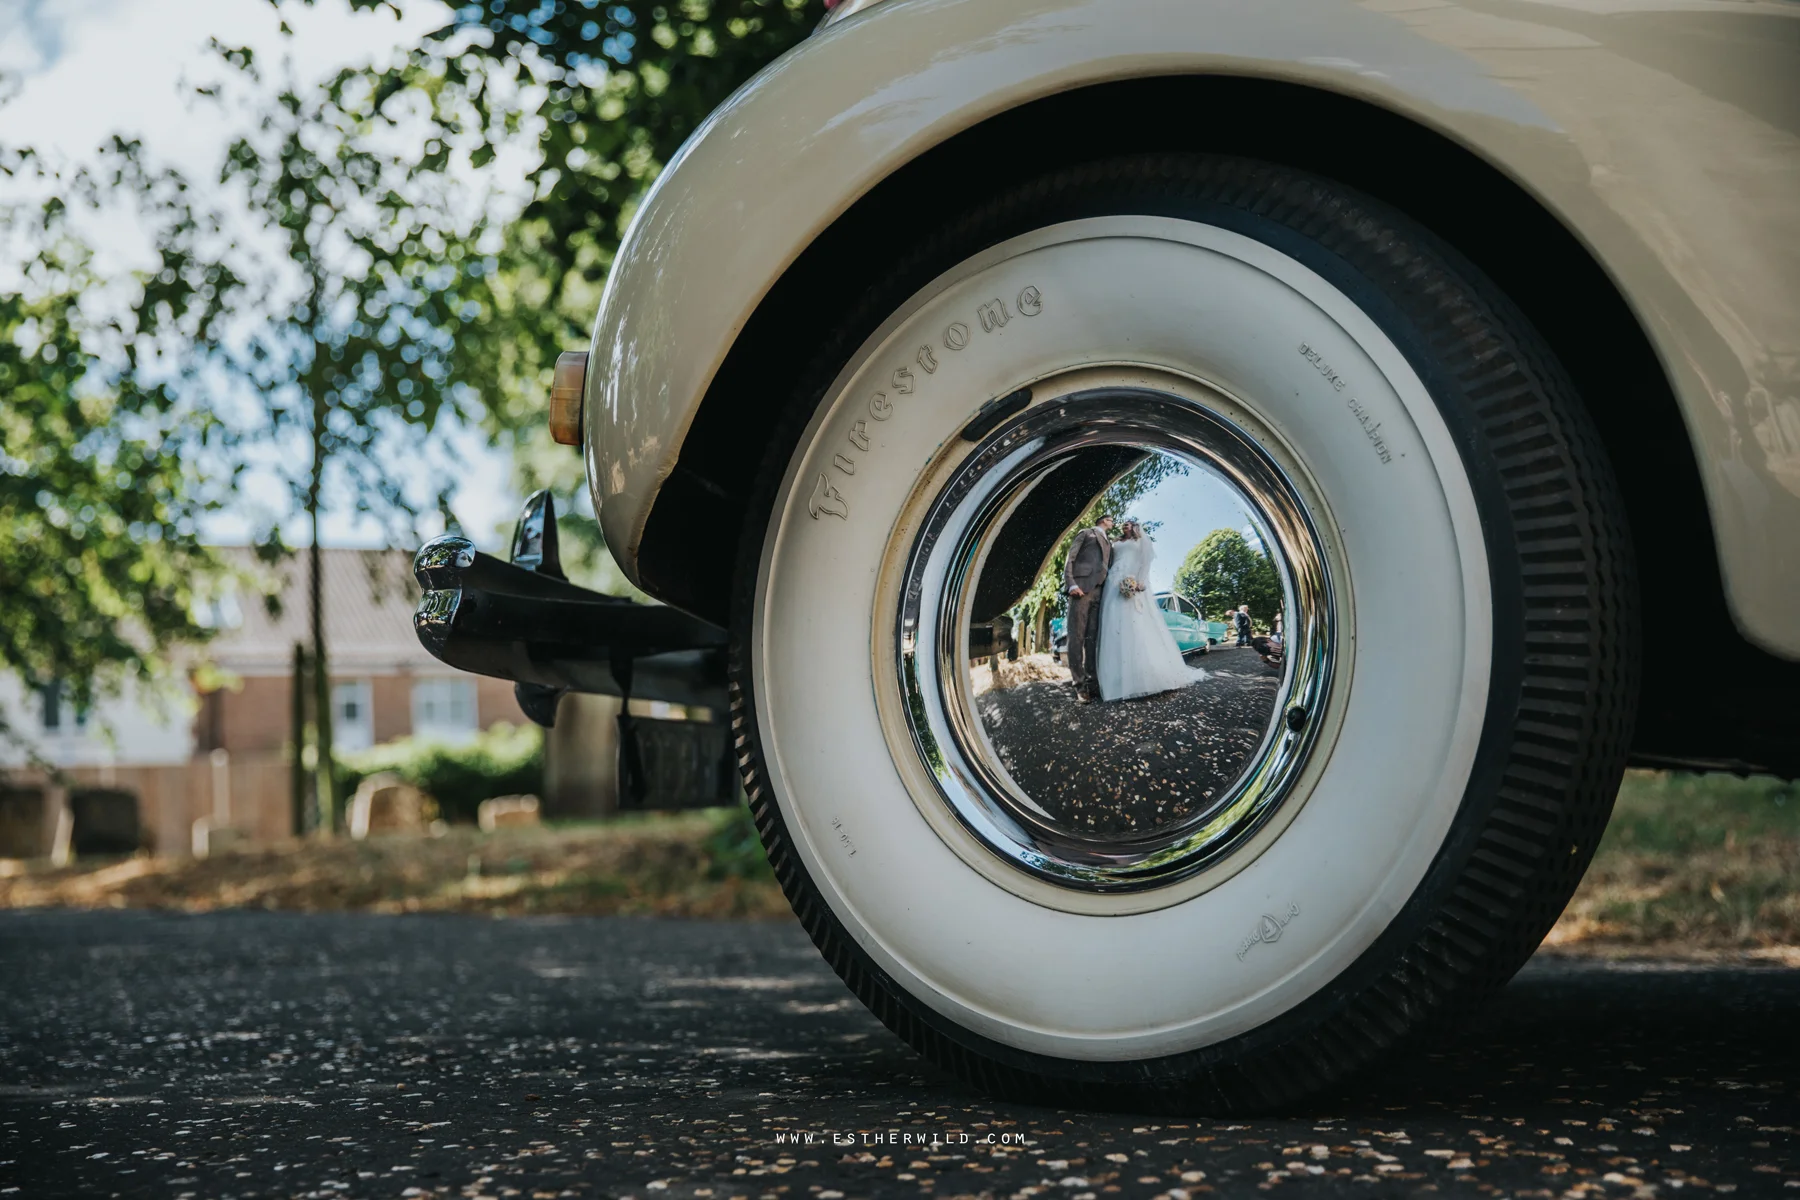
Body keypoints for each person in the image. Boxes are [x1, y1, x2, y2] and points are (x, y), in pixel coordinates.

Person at [1096, 520, 1207, 702]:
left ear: (1135, 527)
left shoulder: (1140, 542)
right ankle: (1117, 680)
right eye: (1123, 524)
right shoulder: (1115, 541)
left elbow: (1144, 564)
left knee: (1134, 625)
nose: (1125, 526)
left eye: (1129, 524)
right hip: (1112, 582)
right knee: (1113, 623)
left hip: (1130, 581)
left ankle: (1143, 678)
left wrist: (1139, 583)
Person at [1063, 515, 1114, 701]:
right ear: (1102, 521)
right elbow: (1071, 558)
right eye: (1110, 519)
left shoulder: (1110, 543)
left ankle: (1093, 684)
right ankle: (1079, 685)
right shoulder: (1086, 533)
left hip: (1100, 592)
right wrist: (1071, 584)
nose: (1113, 522)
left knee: (1092, 640)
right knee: (1076, 637)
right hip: (1081, 589)